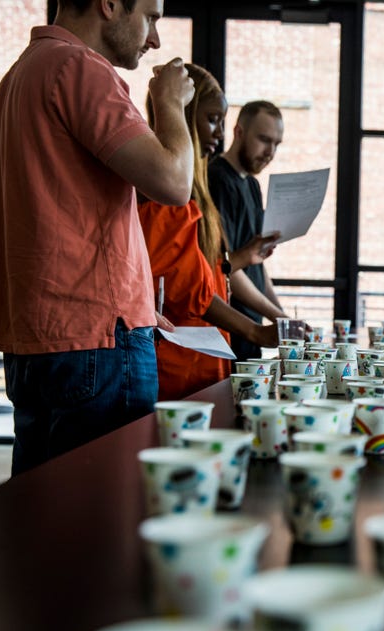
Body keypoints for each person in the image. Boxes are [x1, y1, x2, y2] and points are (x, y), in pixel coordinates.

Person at [0, 0, 195, 474]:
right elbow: (175, 183)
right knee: (101, 520)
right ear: (110, 4)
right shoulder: (80, 68)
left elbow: (60, 217)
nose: (155, 38)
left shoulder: (20, 76)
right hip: (93, 345)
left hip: (41, 339)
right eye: (152, 17)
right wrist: (170, 104)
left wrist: (130, 303)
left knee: (45, 517)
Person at [139, 64, 284, 400]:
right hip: (178, 363)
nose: (218, 133)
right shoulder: (168, 192)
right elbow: (188, 287)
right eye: (212, 120)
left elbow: (213, 271)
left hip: (204, 356)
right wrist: (257, 331)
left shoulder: (198, 189)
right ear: (185, 115)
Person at [209, 100, 287, 360]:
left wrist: (285, 318)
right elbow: (225, 265)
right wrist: (277, 317)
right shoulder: (216, 179)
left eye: (277, 143)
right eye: (264, 140)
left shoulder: (253, 186)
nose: (270, 151)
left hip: (251, 332)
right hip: (229, 329)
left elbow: (256, 265)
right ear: (238, 132)